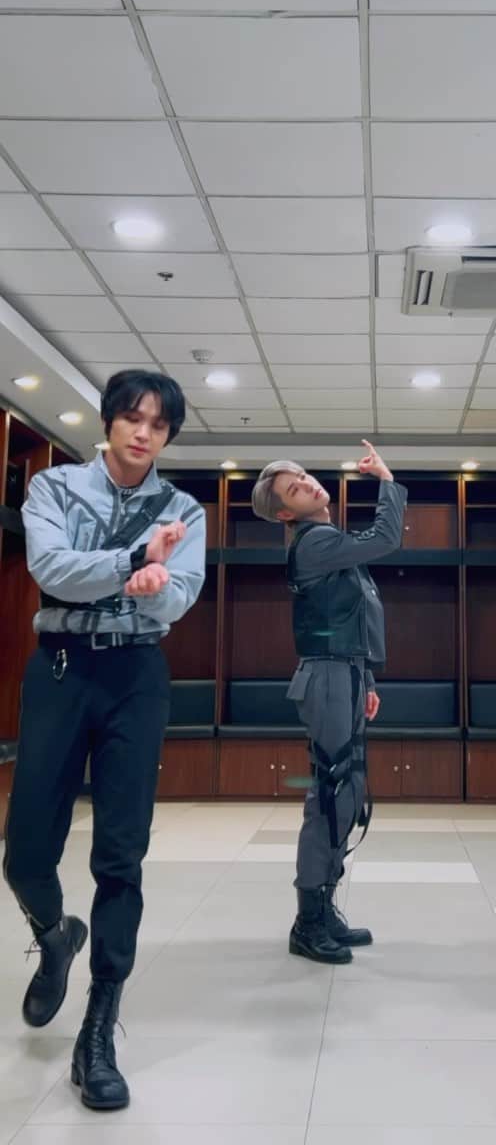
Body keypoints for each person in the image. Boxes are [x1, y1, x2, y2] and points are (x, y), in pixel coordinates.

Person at [3, 369, 206, 1110]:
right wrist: (132, 563)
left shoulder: (183, 508)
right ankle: (56, 934)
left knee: (121, 854)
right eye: (132, 418)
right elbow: (53, 570)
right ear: (109, 421)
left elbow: (181, 591)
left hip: (136, 677)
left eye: (158, 424)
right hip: (60, 670)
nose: (143, 432)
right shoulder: (53, 488)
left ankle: (97, 1031)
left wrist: (155, 584)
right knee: (25, 851)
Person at [251, 440, 406, 965]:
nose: (308, 483)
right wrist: (387, 482)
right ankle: (308, 920)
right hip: (328, 677)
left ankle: (325, 906)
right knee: (332, 791)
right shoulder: (315, 542)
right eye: (294, 488)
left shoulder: (328, 540)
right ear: (286, 513)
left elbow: (351, 617)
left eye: (303, 476)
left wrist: (368, 680)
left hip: (347, 673)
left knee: (347, 791)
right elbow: (386, 538)